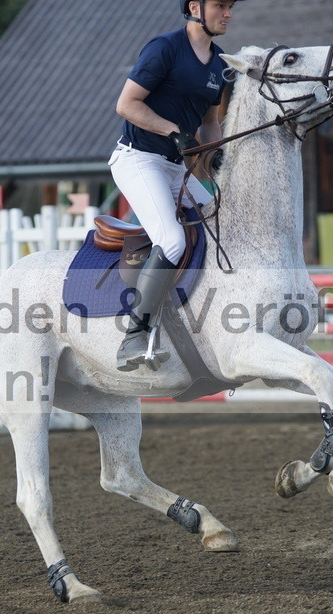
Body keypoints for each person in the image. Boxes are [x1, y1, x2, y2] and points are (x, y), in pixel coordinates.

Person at [109, 0, 240, 372]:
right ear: (195, 7)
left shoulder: (220, 64)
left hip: (175, 167)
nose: (228, 13)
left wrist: (217, 156)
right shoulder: (164, 48)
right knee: (172, 240)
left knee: (221, 223)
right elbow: (126, 104)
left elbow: (211, 122)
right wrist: (173, 132)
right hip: (139, 159)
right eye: (220, 5)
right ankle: (135, 334)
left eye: (231, 7)